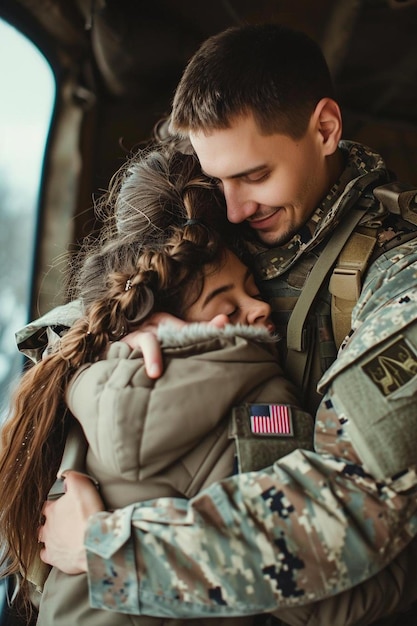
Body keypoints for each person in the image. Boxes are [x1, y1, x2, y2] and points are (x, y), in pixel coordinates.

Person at [17, 22, 417, 626]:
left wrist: (110, 549)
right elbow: (100, 299)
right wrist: (133, 332)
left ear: (325, 129)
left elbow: (354, 507)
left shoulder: (399, 274)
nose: (232, 207)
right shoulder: (228, 207)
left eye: (255, 176)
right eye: (219, 179)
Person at [0, 146, 312, 626]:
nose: (261, 308)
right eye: (226, 306)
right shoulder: (264, 401)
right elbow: (312, 581)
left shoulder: (83, 373)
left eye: (253, 289)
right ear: (167, 321)